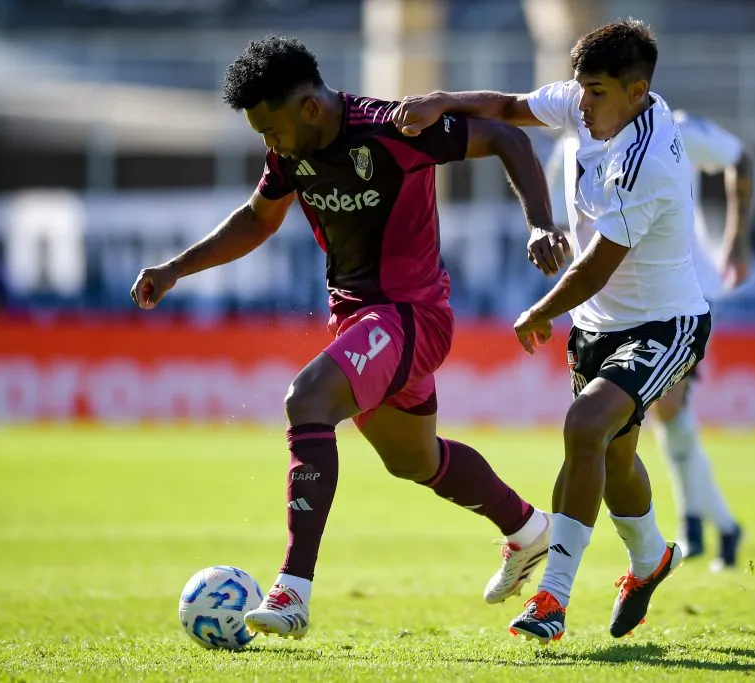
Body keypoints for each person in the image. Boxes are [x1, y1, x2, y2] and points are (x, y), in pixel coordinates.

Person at [130, 35, 564, 640]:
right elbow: (258, 218)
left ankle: (292, 590)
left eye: (270, 128)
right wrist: (176, 268)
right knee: (414, 459)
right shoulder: (289, 154)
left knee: (307, 400)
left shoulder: (393, 130)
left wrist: (541, 222)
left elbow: (508, 137)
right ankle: (527, 529)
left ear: (309, 107)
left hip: (411, 315)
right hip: (363, 322)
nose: (267, 143)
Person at [392, 18, 711, 642]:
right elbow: (510, 107)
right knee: (613, 459)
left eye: (594, 92)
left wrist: (540, 312)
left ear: (637, 92)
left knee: (584, 427)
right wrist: (441, 101)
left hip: (664, 322)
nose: (580, 101)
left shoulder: (646, 160)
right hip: (598, 327)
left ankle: (552, 600)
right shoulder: (592, 102)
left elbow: (596, 265)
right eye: (580, 88)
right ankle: (651, 560)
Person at [545, 109, 751, 570]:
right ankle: (714, 523)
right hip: (613, 313)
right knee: (659, 422)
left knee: (667, 413)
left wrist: (736, 241)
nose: (590, 102)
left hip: (677, 299)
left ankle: (700, 525)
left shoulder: (670, 129)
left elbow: (740, 158)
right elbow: (561, 217)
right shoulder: (574, 141)